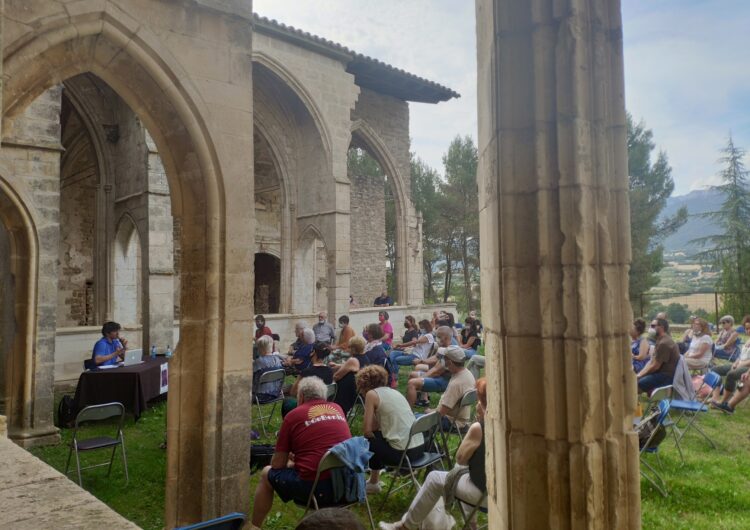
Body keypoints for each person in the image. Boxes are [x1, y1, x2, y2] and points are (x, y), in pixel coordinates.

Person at [378, 378, 488, 530]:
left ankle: (405, 526)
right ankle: (472, 525)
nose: (476, 405)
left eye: (480, 401)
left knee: (435, 478)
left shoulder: (480, 427)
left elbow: (461, 459)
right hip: (501, 492)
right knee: (461, 475)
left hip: (485, 493)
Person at [251, 376, 351, 528]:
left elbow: (277, 465)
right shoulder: (338, 408)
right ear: (324, 396)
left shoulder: (293, 416)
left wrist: (292, 462)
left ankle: (253, 526)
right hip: (347, 485)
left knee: (266, 473)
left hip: (318, 489)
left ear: (301, 396)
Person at [357, 365, 424, 494]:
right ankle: (375, 478)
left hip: (403, 455)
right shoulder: (394, 392)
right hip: (419, 448)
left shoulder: (372, 394)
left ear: (363, 384)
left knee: (369, 441)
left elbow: (367, 430)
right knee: (377, 436)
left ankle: (373, 482)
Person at [424, 346, 476, 432]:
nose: (442, 361)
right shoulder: (468, 374)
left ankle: (426, 445)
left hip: (452, 422)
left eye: (444, 359)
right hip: (462, 419)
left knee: (414, 420)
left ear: (450, 363)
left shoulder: (456, 384)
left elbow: (440, 414)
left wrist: (428, 411)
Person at [283, 342, 335, 416]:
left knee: (287, 402)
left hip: (306, 407)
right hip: (323, 407)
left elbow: (293, 393)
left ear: (313, 352)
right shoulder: (330, 371)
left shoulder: (307, 372)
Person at [407, 326, 453, 407]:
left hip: (444, 381)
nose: (436, 339)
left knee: (412, 383)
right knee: (412, 375)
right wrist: (422, 361)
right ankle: (418, 398)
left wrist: (422, 377)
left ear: (445, 338)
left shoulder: (449, 351)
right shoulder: (443, 347)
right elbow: (435, 358)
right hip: (439, 376)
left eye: (438, 337)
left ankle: (408, 411)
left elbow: (436, 371)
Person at [711, 317, 750, 412]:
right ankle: (715, 397)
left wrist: (741, 365)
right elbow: (740, 356)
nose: (748, 331)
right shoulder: (748, 340)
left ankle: (723, 401)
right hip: (739, 364)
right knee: (714, 370)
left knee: (731, 375)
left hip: (747, 367)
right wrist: (736, 363)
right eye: (746, 328)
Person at [637, 318, 680, 394]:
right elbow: (652, 361)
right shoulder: (660, 340)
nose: (650, 328)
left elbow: (655, 366)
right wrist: (640, 374)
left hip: (666, 376)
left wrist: (640, 376)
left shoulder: (664, 343)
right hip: (660, 373)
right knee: (637, 379)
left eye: (653, 326)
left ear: (662, 328)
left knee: (638, 383)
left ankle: (632, 404)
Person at [330, 336, 371, 415]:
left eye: (349, 347)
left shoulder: (352, 360)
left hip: (348, 394)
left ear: (354, 348)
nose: (348, 348)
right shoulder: (365, 358)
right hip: (359, 390)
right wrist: (339, 365)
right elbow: (352, 367)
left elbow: (336, 376)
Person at [253, 335, 283, 401]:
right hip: (275, 394)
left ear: (260, 348)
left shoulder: (258, 363)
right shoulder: (277, 360)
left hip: (259, 396)